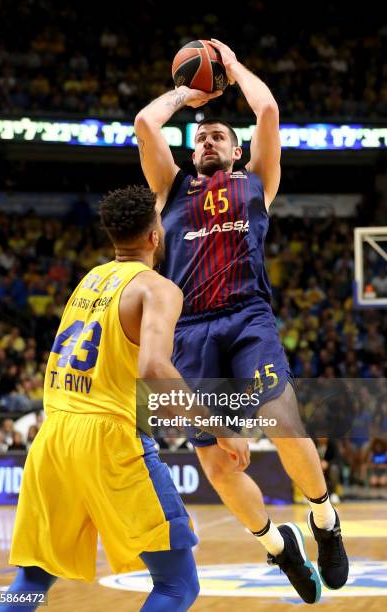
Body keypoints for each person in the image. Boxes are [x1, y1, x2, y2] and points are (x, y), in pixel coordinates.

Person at [135, 38, 348, 604]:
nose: (207, 139)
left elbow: (269, 111)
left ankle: (324, 520)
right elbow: (144, 121)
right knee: (218, 462)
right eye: (201, 136)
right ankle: (280, 546)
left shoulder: (257, 182)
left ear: (235, 152)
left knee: (283, 421)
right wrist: (188, 93)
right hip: (191, 329)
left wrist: (229, 67)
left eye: (219, 136)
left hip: (248, 317)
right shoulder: (170, 187)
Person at [0, 186, 248, 612]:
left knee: (33, 577)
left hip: (54, 435)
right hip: (109, 439)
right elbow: (154, 369)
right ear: (155, 236)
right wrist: (220, 428)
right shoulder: (157, 288)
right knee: (176, 585)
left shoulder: (88, 280)